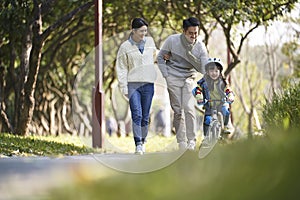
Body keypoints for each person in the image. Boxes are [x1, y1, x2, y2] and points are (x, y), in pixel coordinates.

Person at [157, 17, 208, 150]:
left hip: (189, 78)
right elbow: (160, 57)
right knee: (178, 110)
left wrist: (191, 57)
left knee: (189, 107)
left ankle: (191, 140)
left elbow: (203, 69)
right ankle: (181, 141)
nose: (194, 36)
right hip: (172, 77)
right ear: (184, 32)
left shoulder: (200, 47)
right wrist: (166, 75)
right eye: (191, 33)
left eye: (196, 33)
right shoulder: (172, 40)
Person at [116, 18, 157, 155]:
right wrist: (124, 88)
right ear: (133, 30)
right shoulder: (125, 47)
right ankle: (138, 144)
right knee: (137, 114)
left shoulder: (150, 42)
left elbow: (156, 55)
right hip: (133, 85)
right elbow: (121, 68)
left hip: (148, 85)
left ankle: (143, 141)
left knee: (145, 116)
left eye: (145, 30)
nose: (144, 33)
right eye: (141, 31)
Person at [192, 58, 235, 146]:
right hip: (209, 105)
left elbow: (228, 90)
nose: (214, 73)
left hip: (221, 103)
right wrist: (199, 97)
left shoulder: (222, 82)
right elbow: (197, 90)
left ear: (220, 72)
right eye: (211, 71)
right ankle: (206, 137)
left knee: (226, 111)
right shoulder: (203, 82)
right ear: (207, 72)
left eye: (216, 71)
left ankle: (226, 126)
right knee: (207, 120)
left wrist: (230, 96)